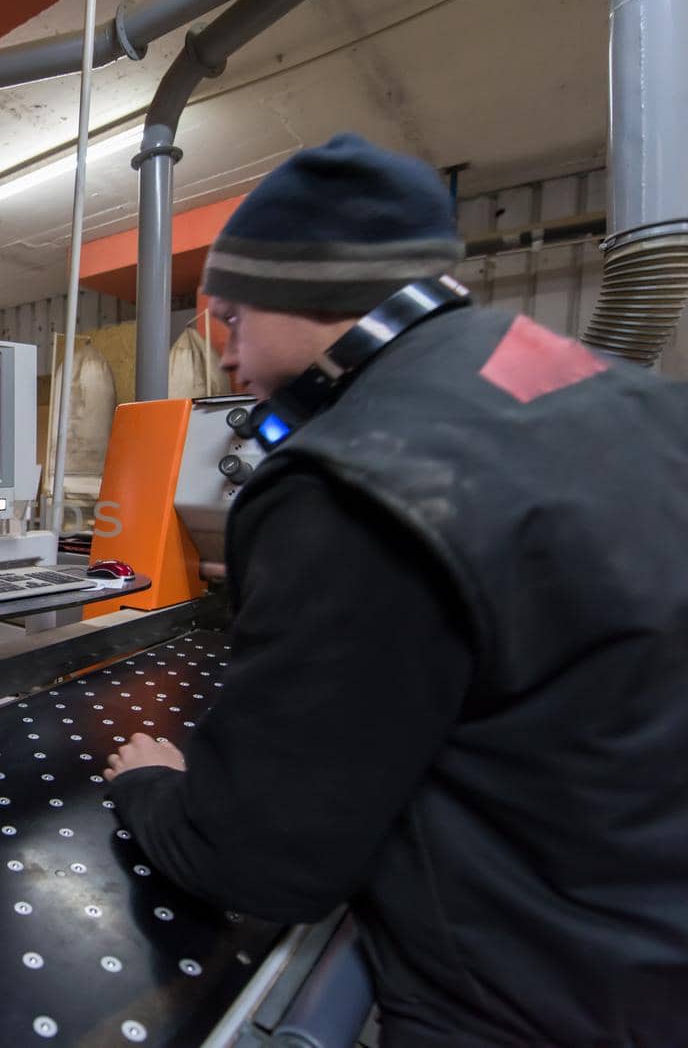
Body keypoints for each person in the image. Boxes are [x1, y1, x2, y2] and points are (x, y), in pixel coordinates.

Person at [103, 134, 688, 1046]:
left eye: (231, 317)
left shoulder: (347, 478)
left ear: (307, 297)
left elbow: (259, 859)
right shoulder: (597, 385)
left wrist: (153, 789)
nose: (225, 358)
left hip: (539, 998)